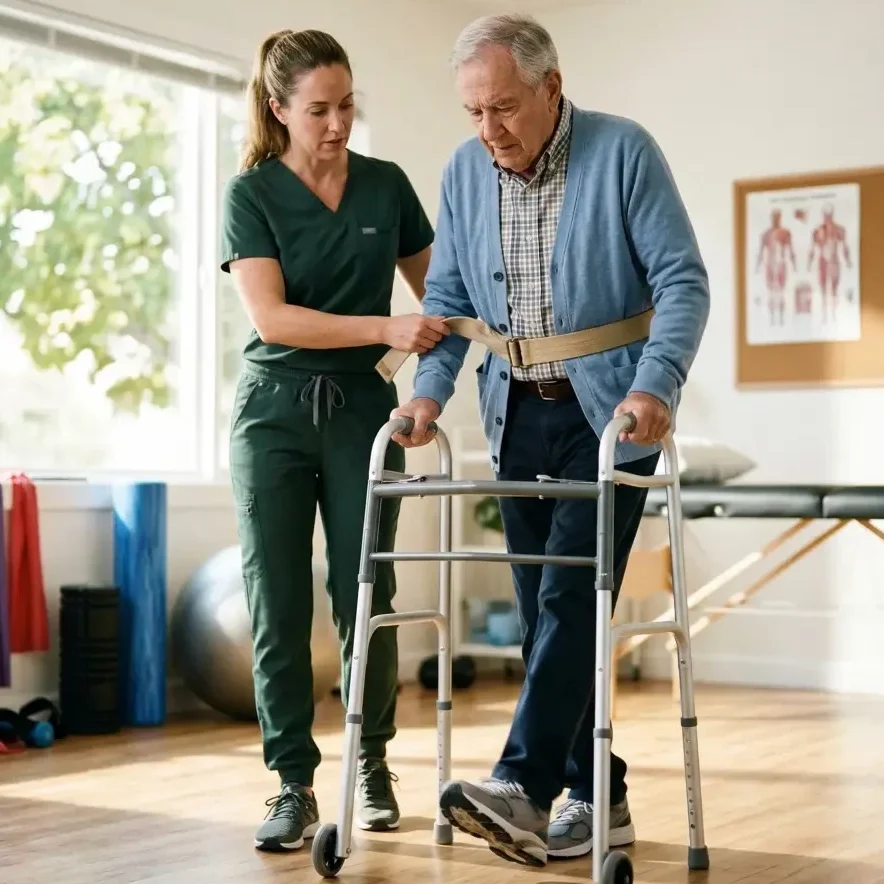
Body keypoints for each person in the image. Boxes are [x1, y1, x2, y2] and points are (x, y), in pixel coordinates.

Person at [390, 13, 710, 868]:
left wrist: (655, 385)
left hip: (611, 414)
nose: (489, 131)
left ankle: (522, 786)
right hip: (512, 408)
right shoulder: (465, 172)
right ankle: (598, 796)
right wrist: (426, 397)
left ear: (551, 87)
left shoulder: (622, 151)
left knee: (572, 597)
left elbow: (683, 280)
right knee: (542, 622)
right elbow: (450, 299)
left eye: (503, 108)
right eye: (473, 113)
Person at [219, 28, 447, 852]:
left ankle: (373, 764)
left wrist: (427, 394)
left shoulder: (386, 188)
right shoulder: (251, 194)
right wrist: (383, 323)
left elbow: (441, 298)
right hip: (272, 415)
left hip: (362, 411)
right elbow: (272, 317)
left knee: (364, 598)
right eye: (318, 109)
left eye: (347, 104)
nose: (337, 123)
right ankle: (292, 784)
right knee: (277, 604)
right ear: (279, 110)